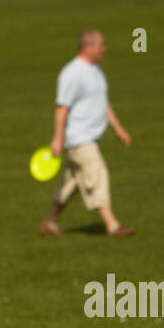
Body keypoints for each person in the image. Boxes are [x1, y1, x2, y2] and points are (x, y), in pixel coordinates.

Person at [40, 30, 133, 238]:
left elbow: (102, 103)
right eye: (101, 45)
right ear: (88, 47)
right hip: (78, 139)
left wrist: (118, 128)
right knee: (97, 174)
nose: (104, 49)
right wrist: (57, 138)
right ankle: (112, 225)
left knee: (71, 183)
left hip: (92, 137)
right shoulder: (72, 73)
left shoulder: (96, 71)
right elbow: (61, 107)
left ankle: (50, 222)